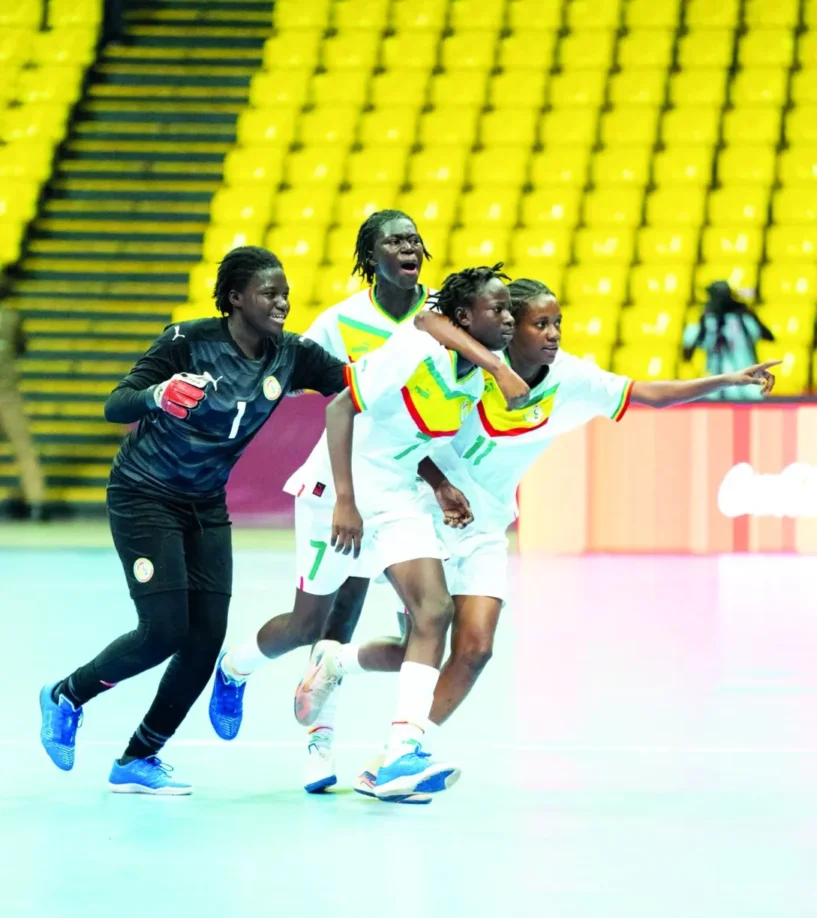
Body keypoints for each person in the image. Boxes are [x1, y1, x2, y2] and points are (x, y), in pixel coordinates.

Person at [294, 276, 782, 795]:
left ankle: (375, 720)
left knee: (476, 648)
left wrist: (731, 378)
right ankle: (390, 738)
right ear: (509, 328)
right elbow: (427, 322)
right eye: (539, 323)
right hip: (429, 515)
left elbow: (651, 395)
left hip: (487, 527)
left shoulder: (571, 378)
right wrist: (439, 480)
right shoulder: (468, 361)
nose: (552, 334)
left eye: (557, 324)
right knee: (425, 639)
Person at [210, 218, 527, 794]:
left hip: (400, 493)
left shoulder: (462, 359)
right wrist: (346, 503)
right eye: (498, 311)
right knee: (312, 622)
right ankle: (237, 667)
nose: (508, 320)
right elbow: (339, 408)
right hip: (340, 491)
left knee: (432, 614)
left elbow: (412, 430)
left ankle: (403, 751)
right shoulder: (395, 340)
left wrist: (439, 483)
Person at [38, 246, 354, 796]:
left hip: (205, 502)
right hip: (144, 494)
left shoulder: (292, 355)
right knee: (163, 631)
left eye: (285, 293)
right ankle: (67, 694)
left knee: (206, 639)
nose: (282, 303)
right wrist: (158, 395)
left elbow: (359, 387)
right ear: (235, 298)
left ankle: (138, 759)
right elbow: (118, 404)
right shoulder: (187, 340)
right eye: (269, 293)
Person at [682, 280, 774, 399]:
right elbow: (768, 336)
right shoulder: (745, 318)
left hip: (717, 388)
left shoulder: (706, 321)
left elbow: (687, 353)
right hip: (749, 387)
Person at [0, 279, 45, 518]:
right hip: (7, 394)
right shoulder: (11, 317)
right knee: (24, 451)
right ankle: (36, 501)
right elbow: (21, 346)